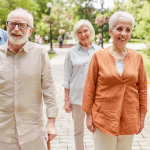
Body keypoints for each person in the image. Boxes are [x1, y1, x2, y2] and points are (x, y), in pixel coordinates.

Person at [82, 11, 147, 150]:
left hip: (129, 116)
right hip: (104, 117)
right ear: (111, 31)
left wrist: (142, 116)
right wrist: (88, 115)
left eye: (128, 30)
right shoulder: (98, 56)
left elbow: (142, 88)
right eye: (119, 29)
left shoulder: (137, 57)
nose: (123, 33)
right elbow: (89, 86)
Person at [0, 8, 58, 150]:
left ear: (30, 31)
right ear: (6, 26)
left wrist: (51, 123)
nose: (16, 29)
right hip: (3, 131)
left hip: (32, 130)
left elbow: (49, 89)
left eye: (22, 25)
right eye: (12, 24)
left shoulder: (40, 53)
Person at [62, 19, 101, 150]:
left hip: (96, 98)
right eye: (79, 32)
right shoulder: (71, 52)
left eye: (85, 31)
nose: (83, 34)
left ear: (91, 32)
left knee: (97, 129)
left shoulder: (99, 51)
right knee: (78, 130)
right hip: (77, 97)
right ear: (75, 34)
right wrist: (66, 100)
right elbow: (66, 78)